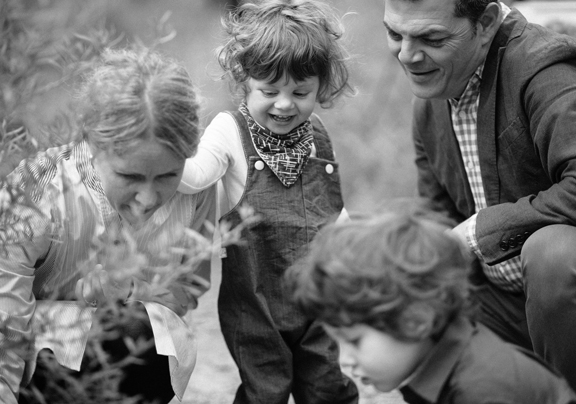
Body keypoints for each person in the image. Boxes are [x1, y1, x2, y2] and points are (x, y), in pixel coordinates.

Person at [0, 49, 216, 403]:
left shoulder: (198, 191)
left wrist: (129, 290)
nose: (147, 199)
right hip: (36, 363)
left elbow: (184, 289)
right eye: (129, 176)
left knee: (144, 328)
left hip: (134, 360)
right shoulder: (37, 192)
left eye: (166, 176)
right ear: (91, 142)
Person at [382, 0, 576, 389]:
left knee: (553, 255)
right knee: (404, 305)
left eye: (431, 38)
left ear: (485, 22)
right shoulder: (431, 102)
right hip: (502, 305)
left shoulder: (544, 73)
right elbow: (437, 220)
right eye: (394, 34)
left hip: (564, 310)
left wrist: (477, 232)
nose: (407, 55)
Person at [177, 1, 359, 402]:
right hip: (255, 302)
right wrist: (164, 150)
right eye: (269, 91)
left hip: (315, 299)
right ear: (245, 79)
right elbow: (194, 177)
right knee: (266, 389)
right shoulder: (229, 130)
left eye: (300, 92)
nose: (284, 104)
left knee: (326, 385)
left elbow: (331, 208)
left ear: (321, 86)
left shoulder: (316, 134)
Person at [287, 208, 576, 404]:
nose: (345, 361)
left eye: (355, 341)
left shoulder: (484, 388)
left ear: (417, 319)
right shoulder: (433, 362)